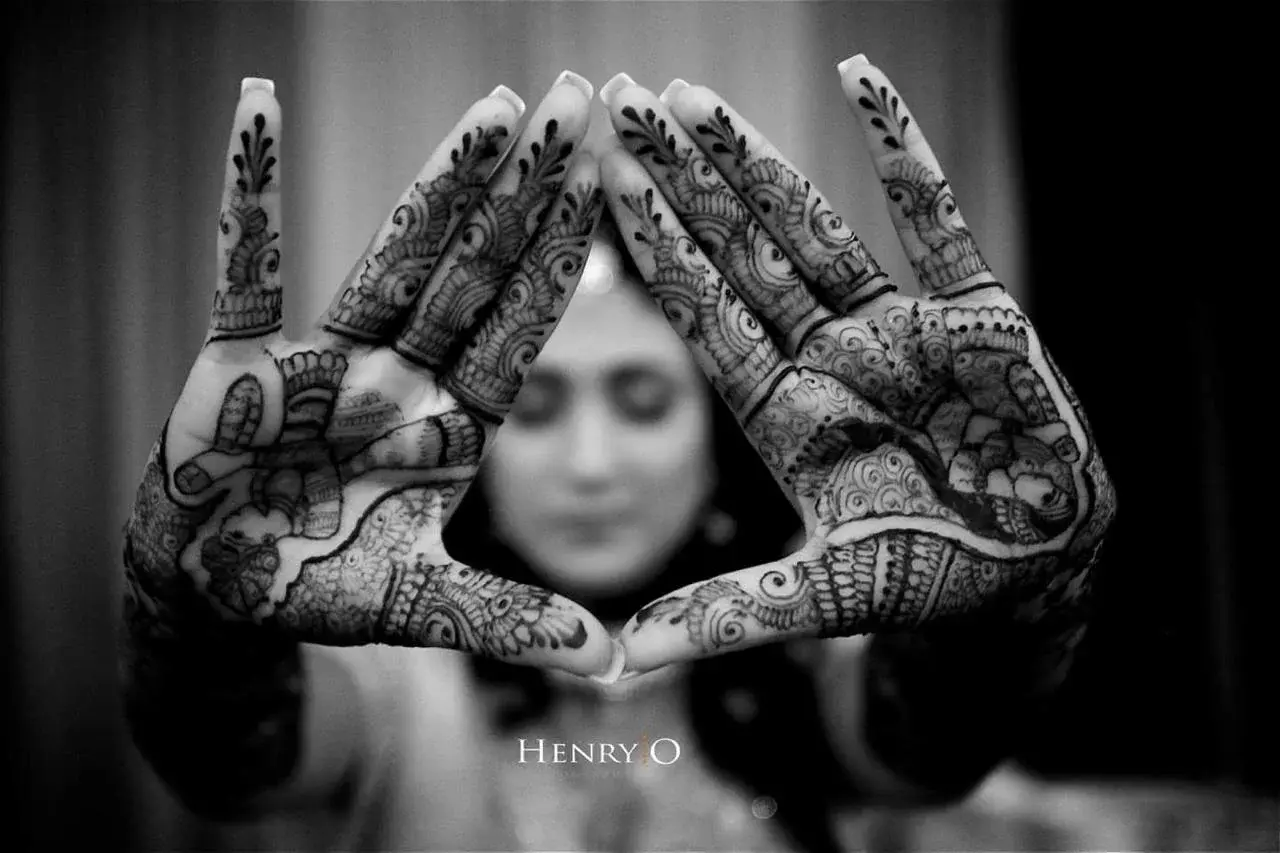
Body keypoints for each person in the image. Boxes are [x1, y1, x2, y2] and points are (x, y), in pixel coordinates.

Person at [119, 58, 1116, 853]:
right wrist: (199, 627)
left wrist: (1001, 622)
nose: (590, 464)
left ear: (720, 434)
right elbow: (225, 761)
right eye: (535, 409)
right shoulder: (390, 673)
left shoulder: (816, 651)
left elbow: (934, 743)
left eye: (641, 403)